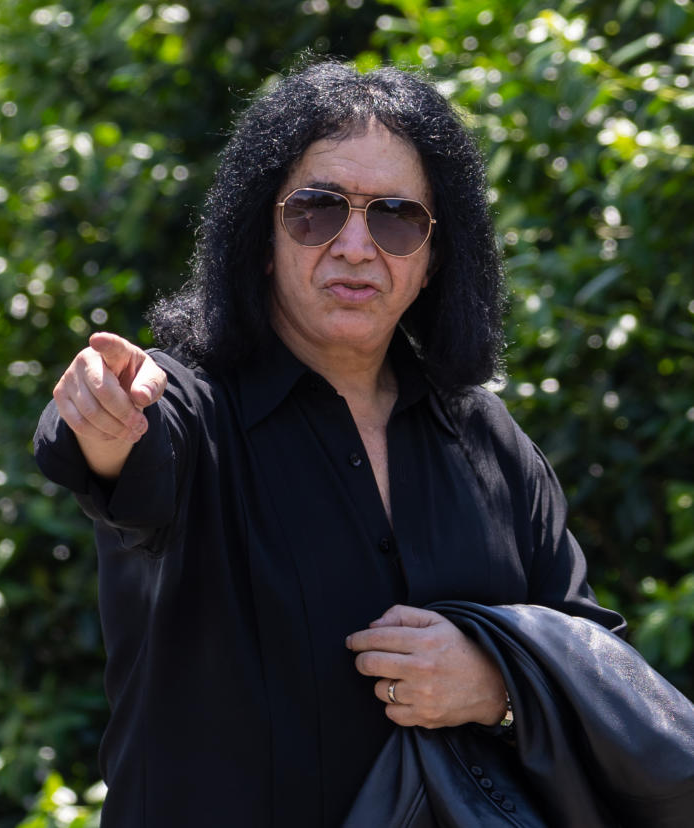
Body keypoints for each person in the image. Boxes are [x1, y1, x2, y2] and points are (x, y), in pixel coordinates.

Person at [32, 60, 628, 826]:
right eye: (316, 210)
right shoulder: (188, 409)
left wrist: (498, 686)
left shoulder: (489, 441)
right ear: (263, 232)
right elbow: (114, 451)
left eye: (395, 218)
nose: (354, 245)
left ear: (434, 258)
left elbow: (597, 664)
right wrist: (99, 412)